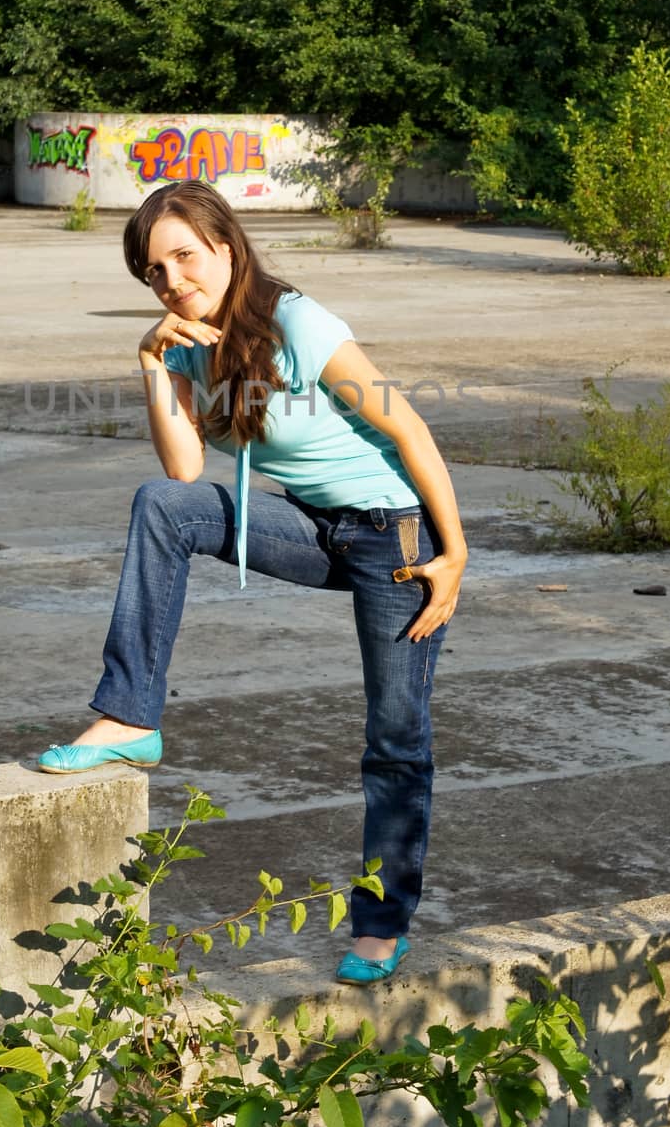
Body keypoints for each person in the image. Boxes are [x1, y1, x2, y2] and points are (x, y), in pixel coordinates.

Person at [38, 182, 467, 985]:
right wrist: (151, 363)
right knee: (162, 507)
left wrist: (456, 552)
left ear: (227, 249)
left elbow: (405, 424)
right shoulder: (191, 344)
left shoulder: (300, 323)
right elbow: (185, 471)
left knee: (395, 738)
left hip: (395, 539)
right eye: (153, 272)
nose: (171, 281)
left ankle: (381, 925)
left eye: (184, 258)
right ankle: (128, 714)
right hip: (315, 526)